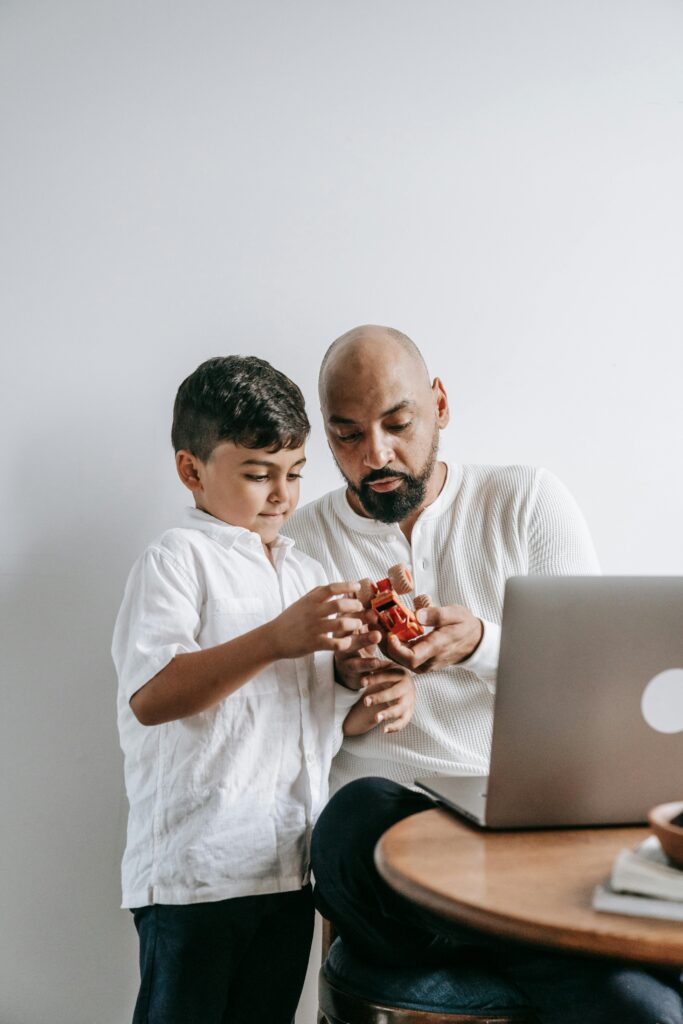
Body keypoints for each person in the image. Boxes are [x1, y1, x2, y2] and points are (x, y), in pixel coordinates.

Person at [283, 325, 683, 1024]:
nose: (374, 454)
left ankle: (536, 951)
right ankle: (581, 953)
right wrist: (344, 677)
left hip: (523, 835)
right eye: (346, 435)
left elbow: (599, 698)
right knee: (349, 820)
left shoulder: (524, 501)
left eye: (396, 423)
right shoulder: (299, 542)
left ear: (438, 404)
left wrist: (479, 646)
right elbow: (271, 730)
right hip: (385, 838)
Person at [111, 354, 415, 1024]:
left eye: (296, 473)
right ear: (191, 470)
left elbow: (313, 721)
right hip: (195, 878)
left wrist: (364, 687)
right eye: (257, 474)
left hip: (285, 870)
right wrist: (278, 638)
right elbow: (152, 696)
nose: (282, 494)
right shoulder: (175, 560)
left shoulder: (302, 569)